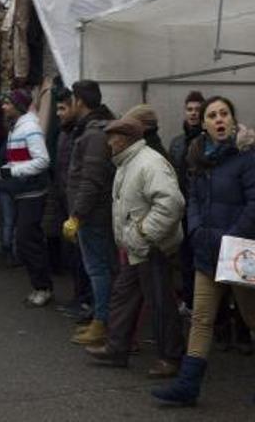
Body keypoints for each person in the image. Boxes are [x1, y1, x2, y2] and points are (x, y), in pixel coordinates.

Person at [152, 96, 255, 406]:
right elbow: (195, 200)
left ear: (232, 118)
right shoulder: (199, 156)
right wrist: (198, 230)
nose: (219, 120)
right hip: (207, 251)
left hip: (240, 253)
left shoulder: (249, 155)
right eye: (212, 115)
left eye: (224, 114)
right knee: (201, 318)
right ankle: (188, 386)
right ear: (203, 124)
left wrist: (232, 238)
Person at [85, 117, 185, 378]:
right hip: (138, 246)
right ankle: (117, 347)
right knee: (124, 296)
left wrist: (144, 234)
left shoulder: (148, 163)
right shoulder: (129, 162)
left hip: (151, 247)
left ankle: (170, 357)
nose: (108, 142)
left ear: (125, 139)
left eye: (112, 137)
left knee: (160, 303)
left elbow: (171, 203)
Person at [63, 80, 117, 345]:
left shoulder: (94, 133)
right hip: (94, 213)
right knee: (101, 267)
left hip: (94, 215)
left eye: (71, 100)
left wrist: (77, 215)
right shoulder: (91, 130)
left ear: (79, 101)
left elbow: (91, 180)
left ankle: (102, 322)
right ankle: (101, 319)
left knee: (99, 269)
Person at [0, 88, 53, 306]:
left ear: (18, 106)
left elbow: (42, 160)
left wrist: (13, 172)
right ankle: (40, 286)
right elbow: (21, 160)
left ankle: (43, 288)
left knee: (26, 240)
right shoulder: (17, 128)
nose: (3, 107)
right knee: (29, 240)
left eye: (7, 103)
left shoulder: (30, 128)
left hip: (32, 192)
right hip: (22, 191)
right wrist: (6, 170)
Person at [54, 85, 92, 322]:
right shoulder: (66, 133)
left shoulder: (81, 133)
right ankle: (80, 297)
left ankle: (86, 300)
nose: (59, 113)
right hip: (67, 200)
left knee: (86, 258)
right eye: (56, 108)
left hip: (78, 205)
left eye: (63, 108)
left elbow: (83, 174)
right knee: (75, 255)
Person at [168, 91, 205, 314]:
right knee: (184, 257)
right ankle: (189, 300)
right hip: (181, 207)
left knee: (198, 257)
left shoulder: (207, 140)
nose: (193, 113)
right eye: (190, 109)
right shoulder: (177, 142)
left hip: (200, 208)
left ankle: (199, 304)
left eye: (197, 110)